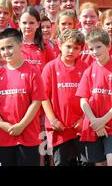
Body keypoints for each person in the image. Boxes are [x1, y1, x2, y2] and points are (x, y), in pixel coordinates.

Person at [0, 28, 47, 166]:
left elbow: (36, 102)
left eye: (10, 47)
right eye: (2, 48)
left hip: (28, 136)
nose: (5, 52)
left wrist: (21, 125)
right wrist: (0, 123)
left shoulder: (33, 72)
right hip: (4, 136)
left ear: (21, 46)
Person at [41, 29, 88, 166]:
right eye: (68, 46)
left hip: (80, 128)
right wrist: (52, 119)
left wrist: (84, 120)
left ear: (81, 50)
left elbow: (90, 99)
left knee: (85, 162)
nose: (71, 51)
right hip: (59, 128)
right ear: (60, 44)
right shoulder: (50, 67)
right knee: (60, 162)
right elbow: (44, 97)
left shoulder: (85, 68)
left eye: (76, 48)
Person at [76, 28, 112, 166]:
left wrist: (104, 120)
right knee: (100, 164)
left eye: (99, 47)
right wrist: (95, 121)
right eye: (91, 48)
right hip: (93, 126)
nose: (95, 51)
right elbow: (83, 100)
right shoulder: (89, 71)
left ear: (108, 46)